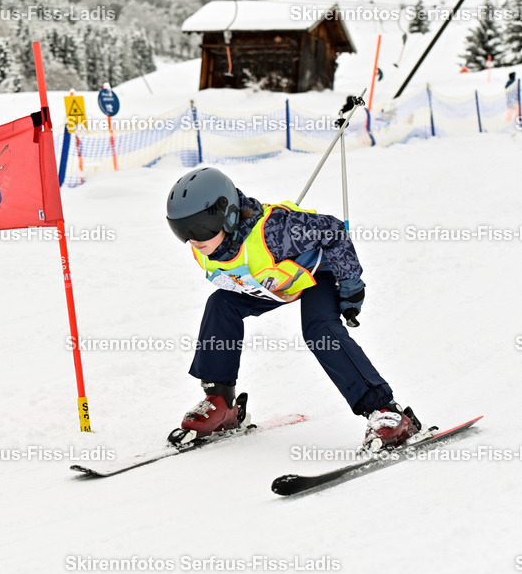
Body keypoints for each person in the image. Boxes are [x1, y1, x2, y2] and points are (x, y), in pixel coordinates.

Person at [165, 167, 420, 451]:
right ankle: (221, 403)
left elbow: (333, 231)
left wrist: (350, 284)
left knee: (319, 330)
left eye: (200, 228)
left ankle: (386, 411)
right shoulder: (210, 244)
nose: (193, 240)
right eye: (182, 231)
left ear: (230, 215)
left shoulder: (277, 231)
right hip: (273, 284)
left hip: (315, 272)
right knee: (220, 305)